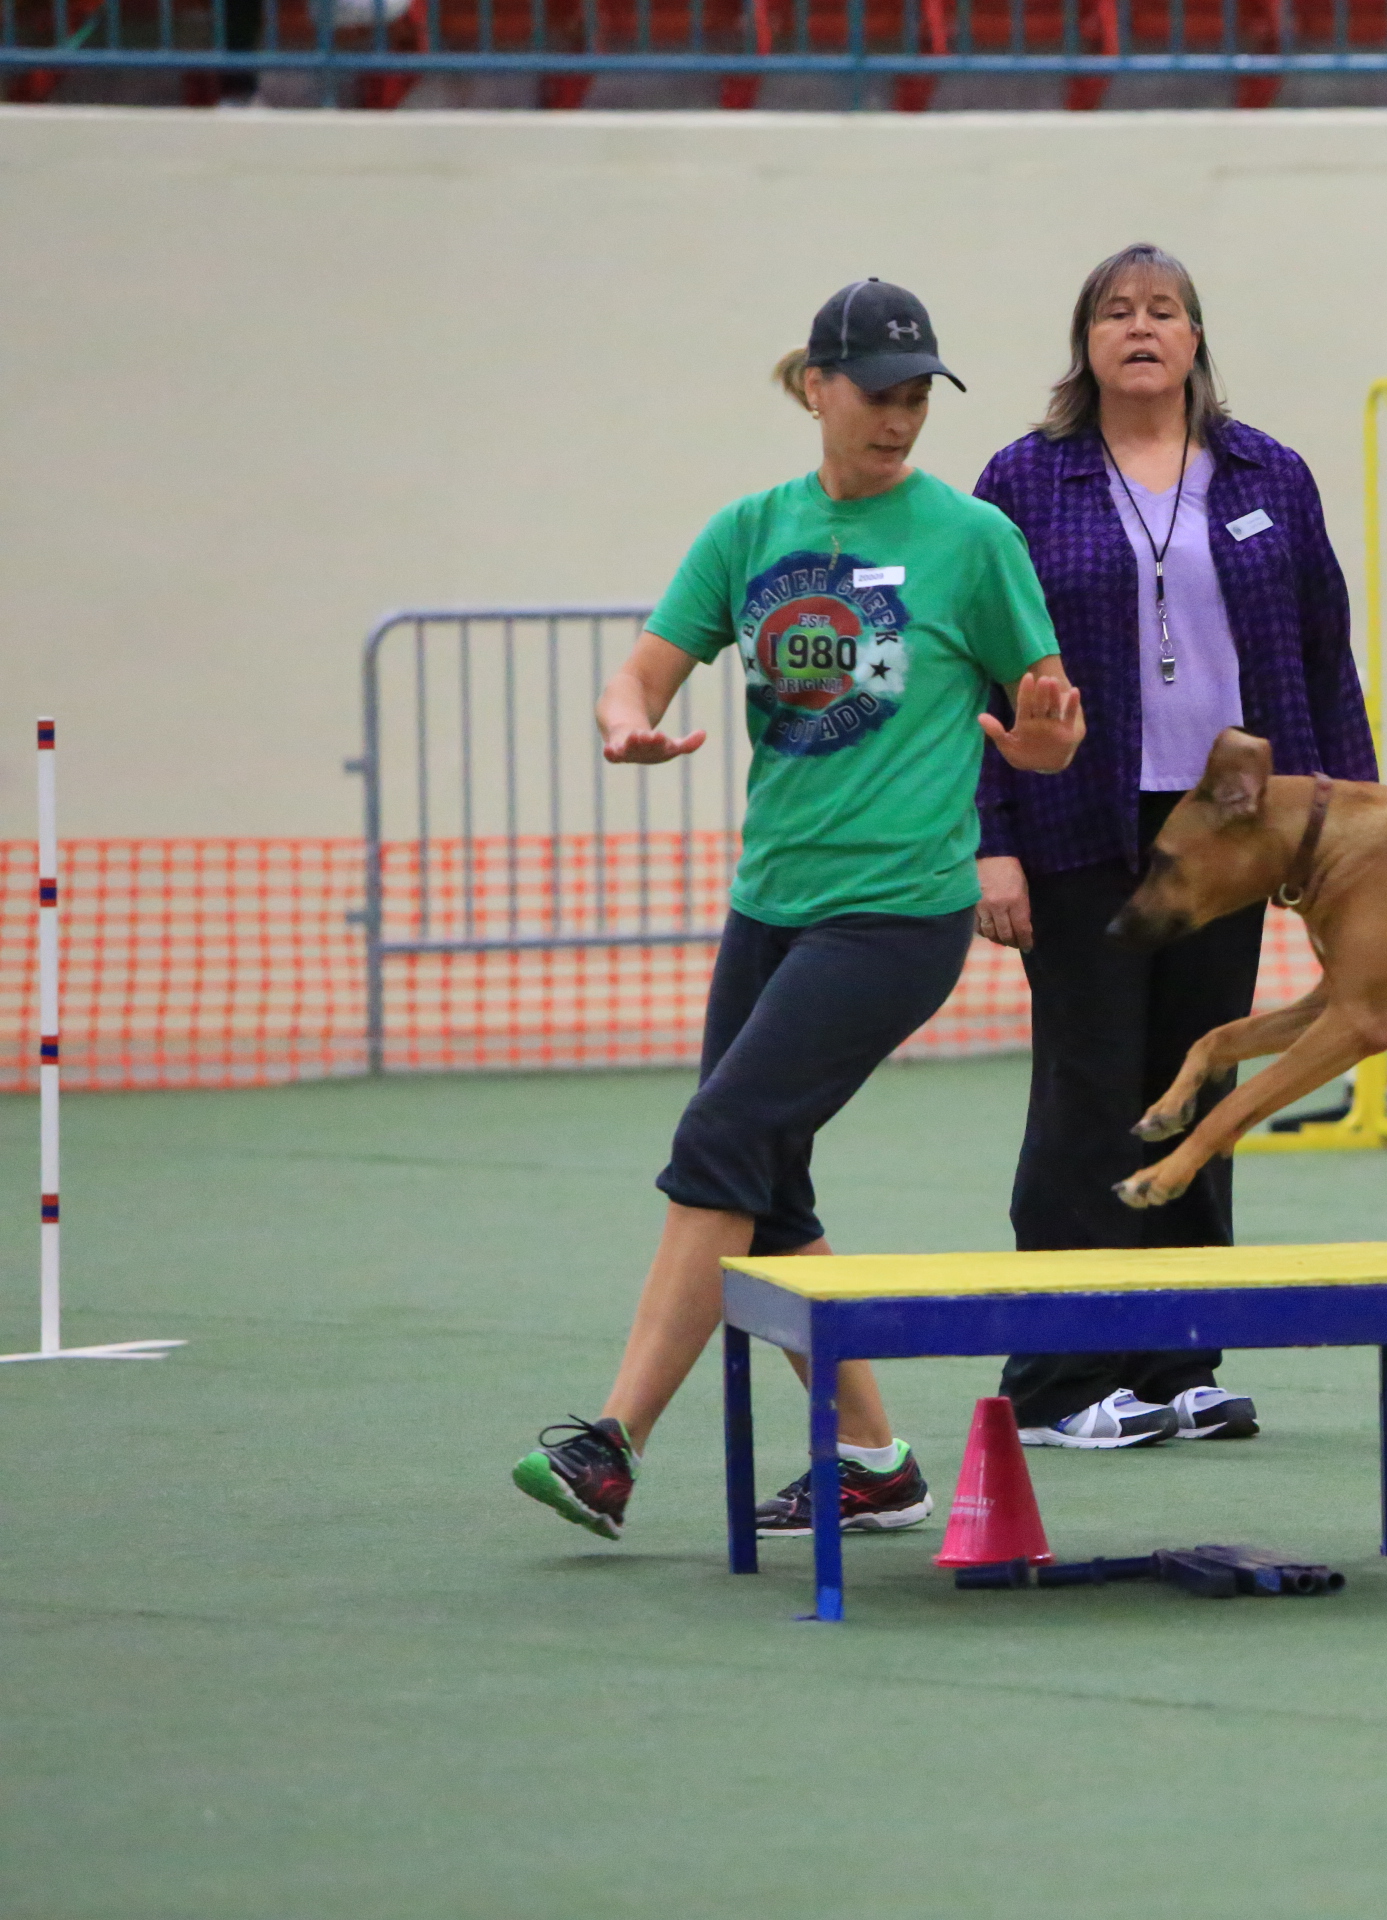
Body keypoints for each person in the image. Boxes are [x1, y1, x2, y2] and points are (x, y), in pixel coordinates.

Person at [512, 278, 1084, 1541]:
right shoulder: (749, 532)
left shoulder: (973, 539)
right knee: (765, 1192)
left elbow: (1045, 719)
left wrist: (1044, 743)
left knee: (723, 1135)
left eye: (918, 395)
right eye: (877, 393)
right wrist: (626, 723)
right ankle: (876, 1464)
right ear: (815, 388)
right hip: (770, 906)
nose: (899, 417)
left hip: (897, 916)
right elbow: (639, 675)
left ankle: (612, 1442)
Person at [971, 242, 1375, 1450]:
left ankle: (1178, 1357)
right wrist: (990, 841)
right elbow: (974, 673)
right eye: (1115, 312)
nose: (1139, 328)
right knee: (1090, 1084)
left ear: (1196, 339)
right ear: (1085, 343)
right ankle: (1058, 1381)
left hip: (1230, 831)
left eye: (1163, 310)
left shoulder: (1269, 474)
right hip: (1076, 820)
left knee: (1200, 1075)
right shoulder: (1025, 480)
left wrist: (1349, 827)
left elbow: (1324, 656)